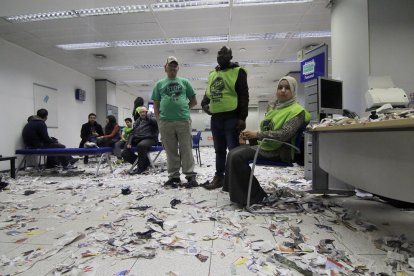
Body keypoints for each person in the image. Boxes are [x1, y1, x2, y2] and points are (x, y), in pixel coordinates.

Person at [224, 76, 311, 206]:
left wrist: (257, 134)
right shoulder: (277, 109)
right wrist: (251, 136)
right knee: (233, 152)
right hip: (267, 146)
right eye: (280, 87)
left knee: (237, 156)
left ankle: (256, 196)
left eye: (287, 88)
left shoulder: (297, 111)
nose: (282, 90)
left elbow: (284, 135)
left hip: (281, 150)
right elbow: (267, 129)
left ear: (293, 91)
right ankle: (237, 191)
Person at [201, 46, 249, 190]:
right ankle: (219, 177)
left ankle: (234, 179)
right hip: (216, 118)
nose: (221, 56)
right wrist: (204, 105)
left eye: (225, 54)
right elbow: (207, 95)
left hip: (232, 116)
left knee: (233, 150)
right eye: (219, 53)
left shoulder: (238, 72)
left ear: (231, 57)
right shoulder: (212, 74)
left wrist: (242, 117)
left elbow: (243, 95)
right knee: (219, 150)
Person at [151, 56, 198, 188]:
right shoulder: (159, 84)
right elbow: (156, 104)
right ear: (165, 67)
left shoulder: (185, 82)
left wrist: (184, 109)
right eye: (170, 65)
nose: (172, 67)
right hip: (166, 122)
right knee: (170, 151)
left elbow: (194, 101)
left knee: (186, 149)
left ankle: (190, 176)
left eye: (175, 65)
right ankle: (174, 177)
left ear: (178, 68)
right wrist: (159, 120)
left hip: (183, 120)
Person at [122, 107, 158, 174]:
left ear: (147, 112)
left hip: (150, 138)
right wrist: (129, 142)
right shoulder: (137, 121)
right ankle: (145, 163)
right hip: (138, 138)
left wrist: (149, 116)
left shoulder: (152, 118)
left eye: (144, 112)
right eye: (141, 112)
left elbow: (156, 123)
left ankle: (140, 168)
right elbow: (132, 132)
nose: (142, 113)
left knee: (141, 145)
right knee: (124, 153)